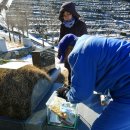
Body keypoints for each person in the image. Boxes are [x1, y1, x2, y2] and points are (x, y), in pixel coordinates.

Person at [57, 33, 130, 130]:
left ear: (68, 49)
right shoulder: (89, 43)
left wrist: (67, 94)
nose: (66, 60)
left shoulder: (78, 52)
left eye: (65, 56)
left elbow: (82, 93)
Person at [58, 2, 87, 84]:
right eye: (64, 15)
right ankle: (70, 88)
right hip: (68, 54)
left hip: (78, 54)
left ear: (73, 13)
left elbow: (85, 40)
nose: (66, 16)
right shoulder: (63, 26)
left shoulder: (81, 25)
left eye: (68, 13)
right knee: (70, 74)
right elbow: (61, 40)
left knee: (78, 75)